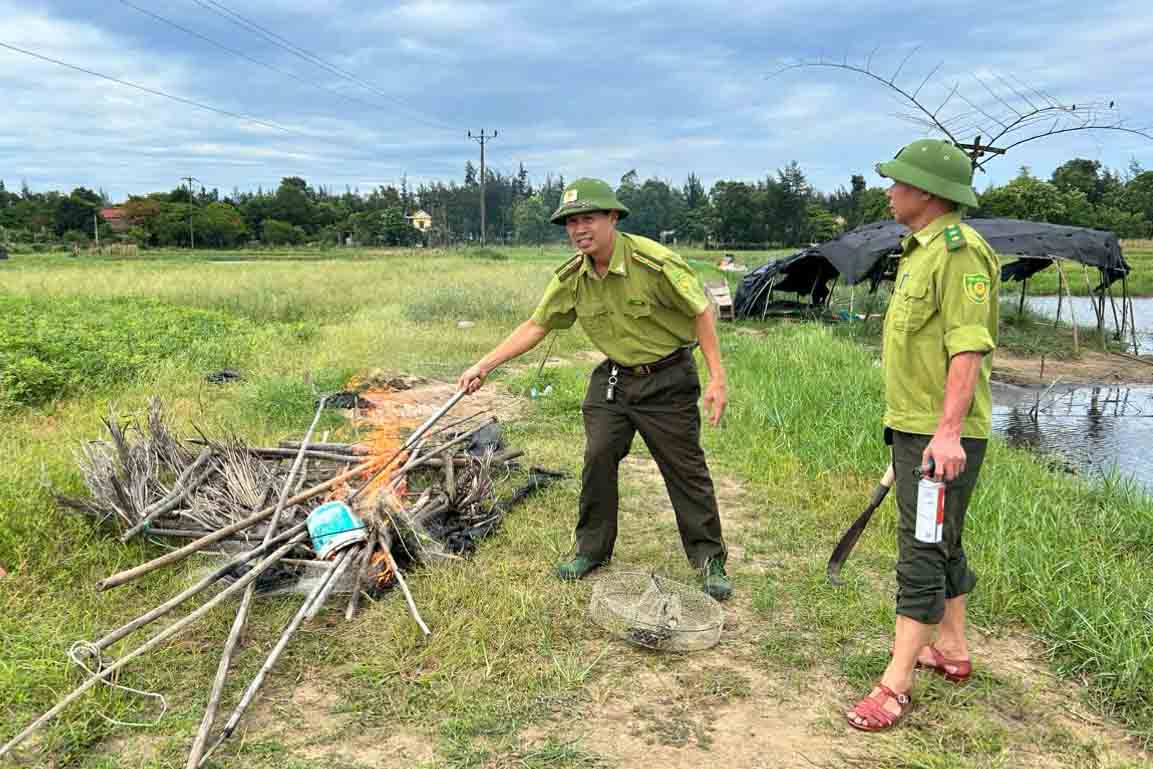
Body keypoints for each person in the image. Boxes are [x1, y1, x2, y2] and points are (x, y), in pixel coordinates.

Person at [457, 178, 732, 600]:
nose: (579, 229)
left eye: (588, 218)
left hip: (668, 377)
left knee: (685, 468)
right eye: (571, 222)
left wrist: (716, 377)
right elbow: (537, 325)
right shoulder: (573, 277)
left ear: (613, 218)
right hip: (615, 380)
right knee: (598, 456)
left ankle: (709, 559)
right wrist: (483, 365)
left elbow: (700, 311)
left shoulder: (653, 263)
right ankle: (592, 551)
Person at [846, 139, 999, 731]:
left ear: (929, 192)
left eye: (898, 181)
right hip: (917, 432)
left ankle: (895, 683)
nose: (889, 190)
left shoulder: (959, 253)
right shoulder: (922, 251)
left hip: (940, 437)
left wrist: (947, 435)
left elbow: (967, 347)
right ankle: (952, 650)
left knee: (921, 549)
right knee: (944, 539)